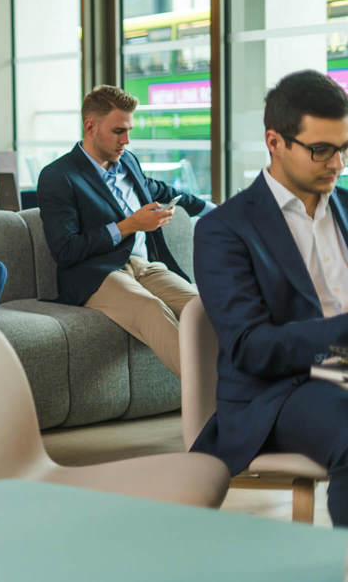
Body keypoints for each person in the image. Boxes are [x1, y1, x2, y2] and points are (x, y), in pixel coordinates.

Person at [191, 70, 348, 525]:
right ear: (275, 142)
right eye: (320, 150)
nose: (336, 163)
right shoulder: (224, 229)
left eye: (342, 148)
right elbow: (250, 347)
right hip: (279, 393)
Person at [37, 85, 212, 376]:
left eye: (129, 130)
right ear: (90, 126)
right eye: (119, 131)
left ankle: (254, 386)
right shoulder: (59, 176)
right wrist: (130, 225)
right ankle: (216, 400)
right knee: (151, 310)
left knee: (203, 308)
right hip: (97, 274)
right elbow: (66, 250)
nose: (126, 140)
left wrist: (210, 210)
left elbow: (158, 189)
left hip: (146, 267)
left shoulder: (127, 162)